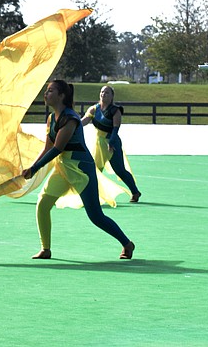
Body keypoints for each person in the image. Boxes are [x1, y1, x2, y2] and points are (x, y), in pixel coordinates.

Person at [22, 80, 136, 261]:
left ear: (61, 96)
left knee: (96, 216)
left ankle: (127, 243)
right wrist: (31, 167)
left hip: (82, 170)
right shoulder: (52, 118)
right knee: (43, 204)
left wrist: (35, 169)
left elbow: (58, 148)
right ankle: (46, 249)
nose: (46, 94)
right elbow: (48, 147)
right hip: (63, 168)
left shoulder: (70, 119)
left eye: (50, 91)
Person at [81, 85, 142, 202]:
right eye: (102, 92)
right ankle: (91, 196)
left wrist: (112, 142)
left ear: (112, 96)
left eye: (107, 92)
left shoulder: (115, 110)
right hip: (98, 144)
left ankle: (135, 192)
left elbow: (115, 129)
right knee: (94, 170)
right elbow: (84, 121)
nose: (103, 94)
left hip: (112, 144)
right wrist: (72, 126)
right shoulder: (93, 109)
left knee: (120, 170)